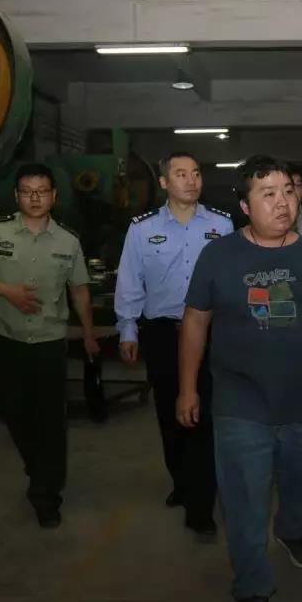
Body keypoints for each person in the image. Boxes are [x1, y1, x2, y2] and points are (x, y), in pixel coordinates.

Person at [176, 155, 302, 602]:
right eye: (267, 194)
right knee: (243, 501)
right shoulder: (219, 256)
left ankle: (292, 528)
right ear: (244, 206)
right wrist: (188, 387)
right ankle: (252, 589)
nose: (282, 202)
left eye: (288, 192)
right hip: (240, 401)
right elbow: (195, 322)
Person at [0, 163, 99, 528]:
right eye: (27, 191)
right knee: (14, 412)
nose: (35, 198)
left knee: (51, 421)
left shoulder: (68, 241)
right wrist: (7, 292)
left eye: (42, 191)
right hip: (8, 340)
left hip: (50, 343)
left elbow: (79, 290)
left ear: (54, 196)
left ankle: (46, 495)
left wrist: (88, 333)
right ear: (17, 196)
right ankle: (38, 468)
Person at [114, 152, 232, 535]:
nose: (191, 180)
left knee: (205, 414)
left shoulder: (221, 225)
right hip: (163, 334)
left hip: (211, 333)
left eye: (195, 173)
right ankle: (182, 481)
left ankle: (200, 503)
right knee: (171, 413)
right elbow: (130, 280)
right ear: (164, 183)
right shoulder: (142, 229)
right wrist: (128, 329)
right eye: (181, 174)